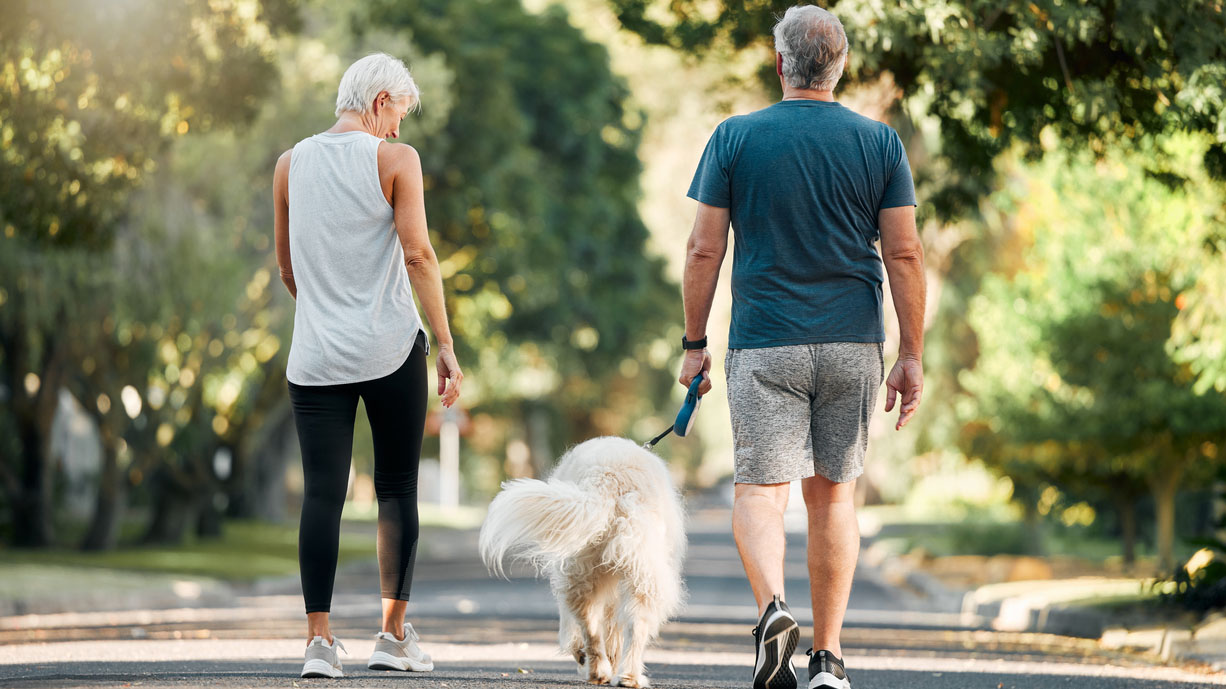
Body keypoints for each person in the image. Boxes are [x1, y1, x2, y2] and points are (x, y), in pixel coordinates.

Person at [677, 6, 925, 689]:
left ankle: (772, 612)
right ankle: (828, 658)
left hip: (765, 343)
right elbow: (903, 251)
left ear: (779, 62)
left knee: (761, 491)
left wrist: (694, 344)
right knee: (834, 499)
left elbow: (704, 247)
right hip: (853, 340)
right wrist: (912, 353)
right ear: (841, 66)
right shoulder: (880, 143)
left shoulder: (734, 137)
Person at [272, 52, 463, 679]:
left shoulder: (289, 164)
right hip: (388, 349)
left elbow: (288, 270)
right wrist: (445, 344)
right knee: (396, 487)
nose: (399, 130)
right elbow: (419, 256)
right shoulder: (395, 161)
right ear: (381, 100)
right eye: (399, 114)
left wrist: (330, 314)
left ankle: (319, 645)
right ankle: (391, 635)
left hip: (315, 355)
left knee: (322, 493)